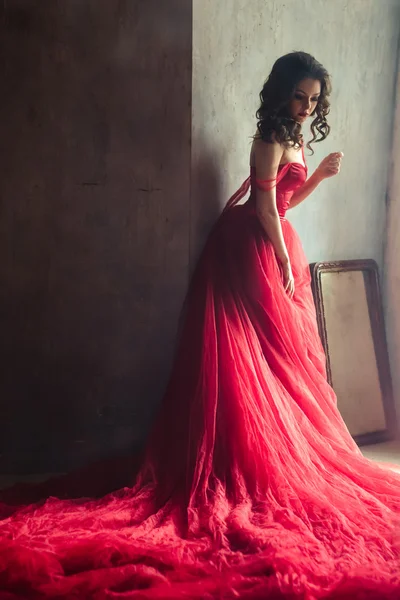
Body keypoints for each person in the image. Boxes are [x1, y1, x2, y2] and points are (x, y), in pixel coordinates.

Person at [1, 51, 400, 599]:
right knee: (247, 357)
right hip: (250, 249)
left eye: (313, 98)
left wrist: (321, 177)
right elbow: (262, 213)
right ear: (281, 91)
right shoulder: (267, 139)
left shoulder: (295, 136)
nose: (307, 106)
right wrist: (284, 262)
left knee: (280, 359)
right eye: (300, 96)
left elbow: (284, 202)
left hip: (275, 238)